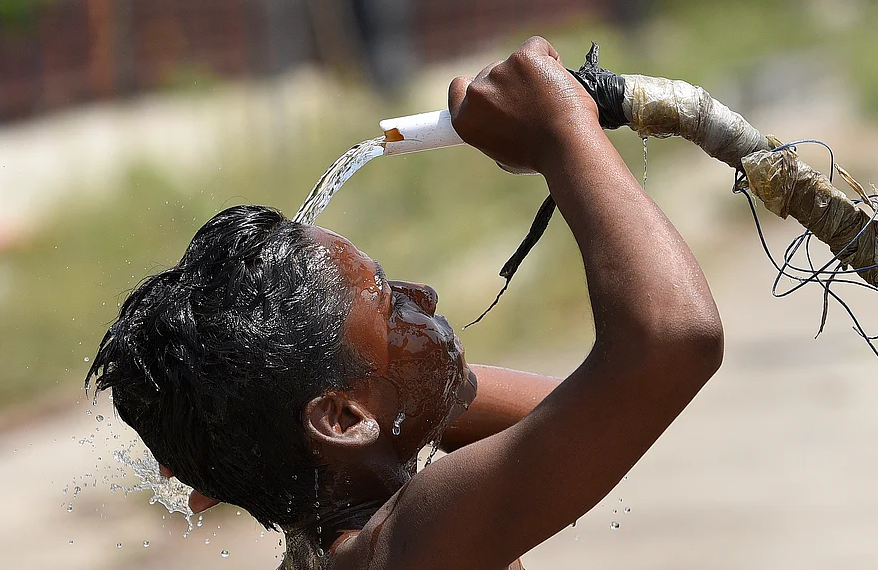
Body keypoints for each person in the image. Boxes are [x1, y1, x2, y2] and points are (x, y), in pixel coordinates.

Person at [86, 36, 724, 569]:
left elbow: (580, 413)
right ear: (341, 419)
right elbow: (671, 345)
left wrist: (253, 440)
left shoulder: (336, 540)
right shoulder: (412, 541)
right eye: (391, 306)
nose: (425, 296)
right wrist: (561, 130)